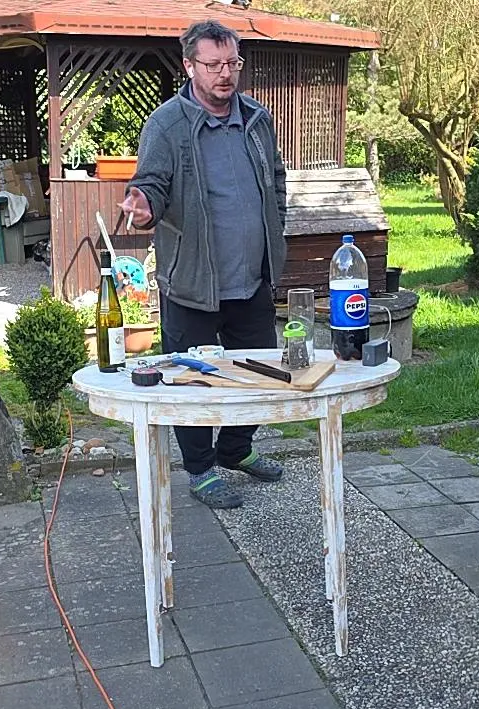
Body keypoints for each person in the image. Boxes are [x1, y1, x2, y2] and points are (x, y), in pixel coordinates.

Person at [121, 19, 288, 510]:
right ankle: (200, 469)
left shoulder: (257, 119)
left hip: (251, 280)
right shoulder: (167, 124)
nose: (225, 73)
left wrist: (273, 227)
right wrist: (144, 205)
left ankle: (235, 449)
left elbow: (276, 179)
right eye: (213, 64)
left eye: (232, 63)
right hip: (192, 282)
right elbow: (150, 183)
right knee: (190, 382)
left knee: (261, 374)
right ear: (189, 66)